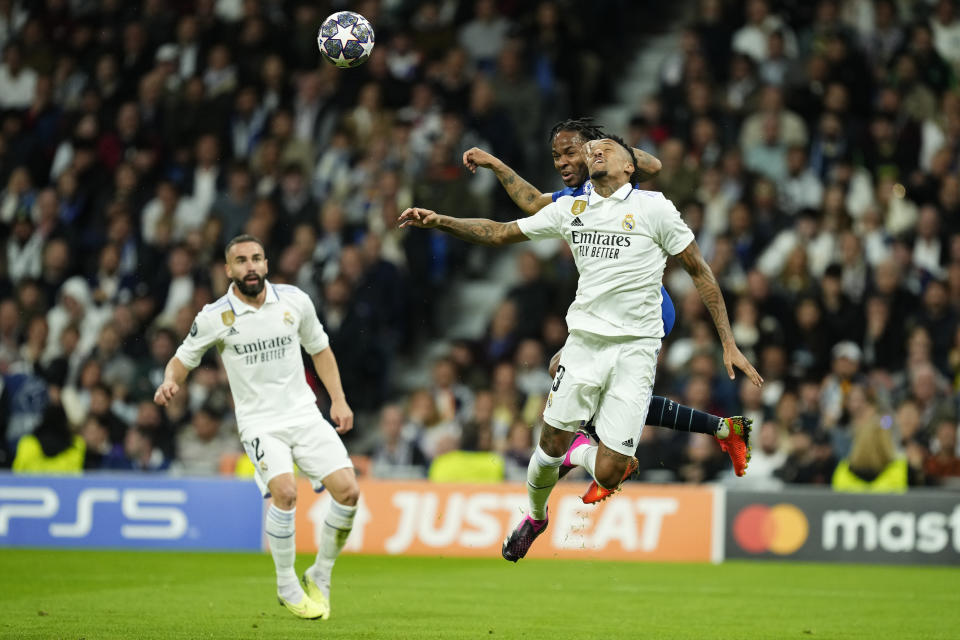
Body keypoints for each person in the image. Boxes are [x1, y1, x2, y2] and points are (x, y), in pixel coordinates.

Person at [401, 136, 762, 562]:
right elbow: (500, 232)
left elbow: (700, 270)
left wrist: (728, 341)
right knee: (549, 445)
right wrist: (440, 220)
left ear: (631, 166)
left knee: (609, 471)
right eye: (584, 150)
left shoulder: (656, 208)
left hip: (636, 347)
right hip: (585, 344)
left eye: (603, 148)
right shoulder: (573, 206)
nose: (592, 153)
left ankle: (610, 446)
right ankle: (536, 517)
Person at [463, 118, 753, 478]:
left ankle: (594, 447)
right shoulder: (576, 199)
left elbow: (653, 165)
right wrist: (495, 164)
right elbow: (532, 202)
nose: (562, 162)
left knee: (569, 374)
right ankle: (722, 429)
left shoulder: (613, 176)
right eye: (556, 156)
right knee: (595, 388)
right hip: (608, 312)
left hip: (643, 309)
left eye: (570, 153)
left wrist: (597, 148)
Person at [154, 234, 359, 620]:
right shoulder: (214, 317)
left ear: (266, 264)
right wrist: (170, 382)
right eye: (242, 261)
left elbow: (320, 350)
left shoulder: (295, 301)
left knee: (349, 492)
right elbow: (182, 359)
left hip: (304, 414)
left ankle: (320, 574)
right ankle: (286, 585)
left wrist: (339, 399)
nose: (251, 266)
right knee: (285, 492)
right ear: (228, 270)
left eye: (257, 259)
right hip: (260, 423)